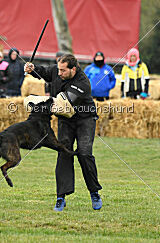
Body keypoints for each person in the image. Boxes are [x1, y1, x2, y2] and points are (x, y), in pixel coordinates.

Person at [25, 54, 102, 212]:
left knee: (84, 153)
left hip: (84, 119)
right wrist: (33, 69)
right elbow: (45, 72)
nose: (59, 73)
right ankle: (61, 197)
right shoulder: (57, 70)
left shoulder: (82, 83)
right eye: (58, 69)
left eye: (63, 70)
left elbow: (63, 103)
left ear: (73, 69)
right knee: (64, 152)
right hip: (66, 120)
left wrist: (37, 103)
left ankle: (94, 192)